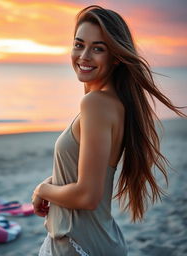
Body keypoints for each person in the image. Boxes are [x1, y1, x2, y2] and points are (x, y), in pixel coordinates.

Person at [32, 5, 185, 256]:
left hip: (77, 245)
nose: (84, 56)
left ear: (115, 56)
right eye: (79, 44)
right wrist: (52, 182)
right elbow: (89, 178)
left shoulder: (96, 104)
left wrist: (42, 190)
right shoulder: (112, 103)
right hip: (95, 240)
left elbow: (88, 196)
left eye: (98, 48)